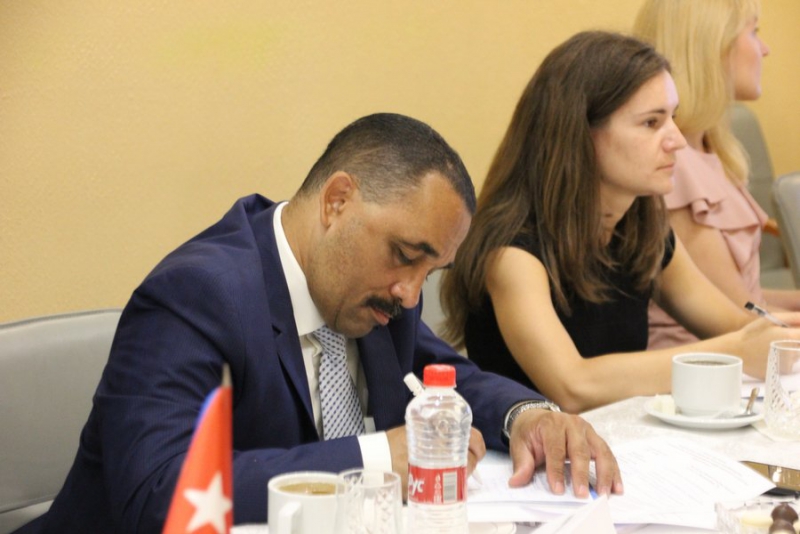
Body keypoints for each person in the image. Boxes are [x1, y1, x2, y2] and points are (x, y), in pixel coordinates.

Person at [18, 113, 622, 533]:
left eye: (430, 271)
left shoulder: (379, 293)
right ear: (337, 201)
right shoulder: (197, 295)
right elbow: (160, 493)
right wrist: (378, 458)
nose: (412, 293)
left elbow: (444, 376)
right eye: (405, 255)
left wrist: (529, 416)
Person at [440, 31, 800, 414]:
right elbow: (572, 385)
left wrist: (778, 335)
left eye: (673, 118)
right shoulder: (511, 250)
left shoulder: (642, 227)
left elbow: (734, 325)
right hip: (527, 447)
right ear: (580, 133)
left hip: (621, 437)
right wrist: (737, 351)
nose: (677, 140)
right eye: (651, 123)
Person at [633, 0, 800, 350]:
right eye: (754, 32)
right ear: (712, 45)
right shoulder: (674, 165)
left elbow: (748, 297)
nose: (765, 49)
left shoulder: (708, 149)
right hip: (703, 368)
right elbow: (735, 316)